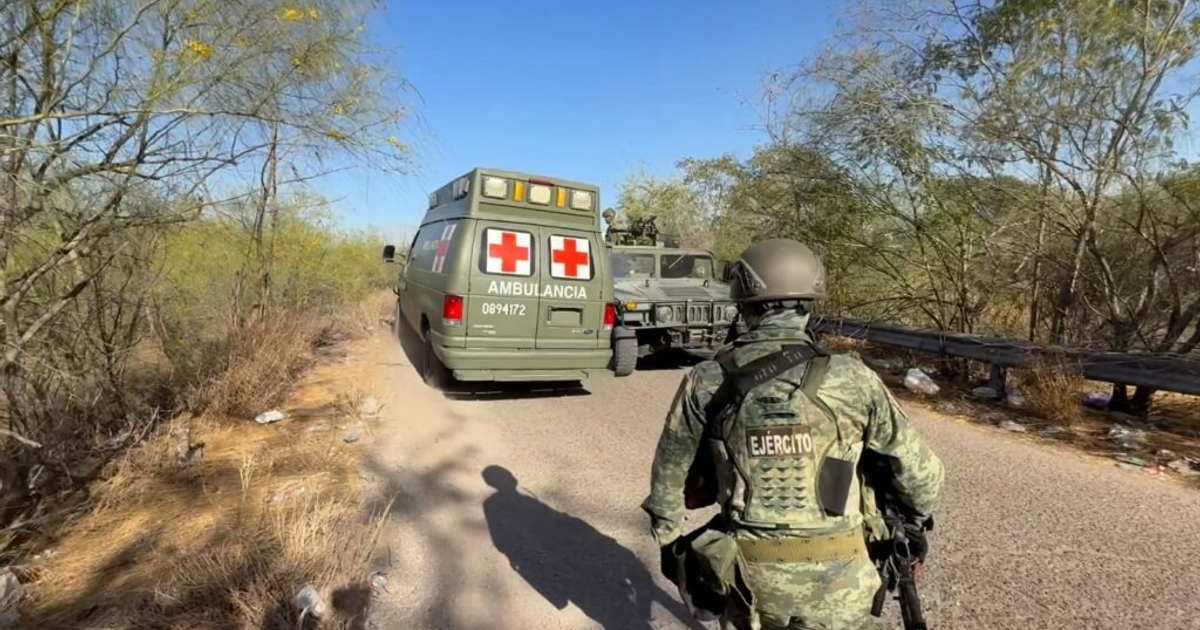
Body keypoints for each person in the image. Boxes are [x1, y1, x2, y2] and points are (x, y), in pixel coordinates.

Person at [642, 239, 944, 630]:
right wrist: (913, 525)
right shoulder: (854, 378)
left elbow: (667, 483)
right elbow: (922, 478)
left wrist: (673, 553)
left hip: (746, 581)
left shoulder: (707, 380)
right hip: (843, 579)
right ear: (809, 301)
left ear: (743, 303)